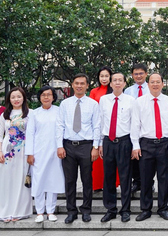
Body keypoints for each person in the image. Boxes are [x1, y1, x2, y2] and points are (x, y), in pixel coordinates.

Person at [56, 74, 100, 224]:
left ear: (87, 86)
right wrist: (59, 146)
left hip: (86, 146)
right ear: (73, 85)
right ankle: (71, 211)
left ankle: (86, 210)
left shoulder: (93, 104)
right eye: (77, 83)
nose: (79, 86)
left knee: (87, 180)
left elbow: (97, 126)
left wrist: (95, 147)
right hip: (68, 146)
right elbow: (60, 126)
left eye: (82, 83)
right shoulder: (65, 104)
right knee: (70, 181)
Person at [131, 73, 168, 221]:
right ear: (148, 84)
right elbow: (135, 125)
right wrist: (135, 145)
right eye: (152, 82)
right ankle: (145, 209)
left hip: (164, 143)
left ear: (163, 84)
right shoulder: (139, 102)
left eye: (158, 82)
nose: (155, 84)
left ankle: (163, 208)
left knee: (164, 178)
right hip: (146, 144)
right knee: (146, 179)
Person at [98, 72, 135, 223]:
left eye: (120, 80)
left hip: (125, 141)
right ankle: (110, 209)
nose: (117, 83)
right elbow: (100, 122)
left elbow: (134, 124)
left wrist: (135, 145)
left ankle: (125, 210)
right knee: (109, 177)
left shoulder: (131, 100)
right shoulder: (103, 100)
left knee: (126, 178)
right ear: (111, 84)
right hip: (108, 141)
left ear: (125, 83)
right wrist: (100, 143)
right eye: (115, 80)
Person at [26, 86, 65, 223]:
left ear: (54, 97)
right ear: (40, 97)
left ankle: (51, 211)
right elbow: (30, 134)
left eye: (49, 95)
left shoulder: (59, 112)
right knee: (39, 181)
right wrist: (29, 153)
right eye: (43, 95)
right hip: (39, 152)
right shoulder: (34, 114)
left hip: (55, 152)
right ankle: (40, 212)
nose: (46, 97)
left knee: (52, 180)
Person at [0, 87, 32, 222]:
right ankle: (4, 211)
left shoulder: (30, 113)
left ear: (23, 98)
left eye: (19, 96)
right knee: (6, 180)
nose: (16, 99)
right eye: (13, 97)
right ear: (9, 99)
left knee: (21, 179)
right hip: (7, 151)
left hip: (24, 151)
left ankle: (19, 211)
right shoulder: (4, 115)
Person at [124, 63, 149, 193]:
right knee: (133, 156)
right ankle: (137, 181)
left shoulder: (151, 89)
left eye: (141, 73)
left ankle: (149, 182)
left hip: (147, 128)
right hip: (131, 127)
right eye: (136, 74)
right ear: (132, 75)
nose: (138, 76)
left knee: (147, 158)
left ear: (146, 74)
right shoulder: (128, 91)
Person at [89, 66, 113, 192]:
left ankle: (111, 184)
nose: (104, 79)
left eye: (106, 76)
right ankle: (97, 184)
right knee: (97, 157)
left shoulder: (114, 90)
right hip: (97, 126)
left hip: (111, 126)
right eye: (101, 76)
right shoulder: (94, 91)